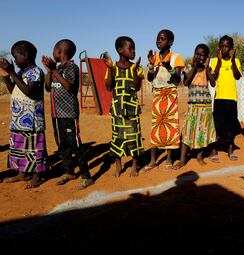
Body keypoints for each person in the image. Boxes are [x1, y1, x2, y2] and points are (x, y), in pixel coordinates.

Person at [42, 39, 93, 188]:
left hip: (69, 114)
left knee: (75, 145)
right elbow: (47, 87)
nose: (52, 54)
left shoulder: (72, 68)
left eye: (54, 50)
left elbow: (70, 87)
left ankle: (86, 176)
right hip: (56, 114)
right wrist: (49, 70)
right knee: (62, 145)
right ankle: (69, 171)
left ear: (59, 51)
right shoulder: (56, 69)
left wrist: (55, 71)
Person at [0, 40, 48, 189]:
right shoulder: (22, 72)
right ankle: (22, 173)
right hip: (18, 119)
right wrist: (7, 76)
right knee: (20, 148)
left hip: (32, 120)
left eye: (16, 57)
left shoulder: (36, 72)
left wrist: (13, 72)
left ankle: (37, 176)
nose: (14, 61)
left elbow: (28, 91)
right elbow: (13, 89)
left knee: (33, 149)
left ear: (25, 55)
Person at [103, 36, 145, 177]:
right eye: (130, 48)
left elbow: (137, 87)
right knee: (117, 136)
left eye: (134, 48)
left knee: (134, 136)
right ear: (120, 50)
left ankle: (134, 165)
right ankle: (118, 165)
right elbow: (109, 87)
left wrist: (134, 72)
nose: (133, 51)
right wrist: (111, 70)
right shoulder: (112, 67)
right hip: (117, 108)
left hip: (132, 107)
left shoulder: (136, 68)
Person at [145, 29, 185, 171]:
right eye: (157, 38)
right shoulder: (154, 57)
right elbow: (150, 78)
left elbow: (178, 79)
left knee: (170, 128)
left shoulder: (176, 58)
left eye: (162, 39)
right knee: (156, 128)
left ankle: (168, 158)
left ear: (170, 42)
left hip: (170, 95)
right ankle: (153, 161)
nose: (158, 41)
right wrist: (150, 65)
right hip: (157, 95)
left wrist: (169, 67)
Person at [173, 44, 216, 170]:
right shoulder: (189, 68)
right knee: (187, 132)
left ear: (207, 57)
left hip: (205, 108)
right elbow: (186, 82)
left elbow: (213, 83)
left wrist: (207, 68)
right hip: (193, 108)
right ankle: (182, 160)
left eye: (202, 55)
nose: (199, 56)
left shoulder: (208, 70)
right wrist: (194, 67)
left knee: (202, 132)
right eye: (197, 53)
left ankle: (199, 156)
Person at [210, 35, 242, 162]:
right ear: (219, 47)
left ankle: (230, 149)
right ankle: (214, 150)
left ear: (231, 48)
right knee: (217, 126)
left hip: (232, 98)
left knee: (230, 126)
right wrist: (218, 61)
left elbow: (237, 76)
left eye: (226, 46)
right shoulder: (214, 61)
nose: (224, 48)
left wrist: (233, 61)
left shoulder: (237, 61)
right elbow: (215, 76)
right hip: (219, 98)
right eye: (222, 46)